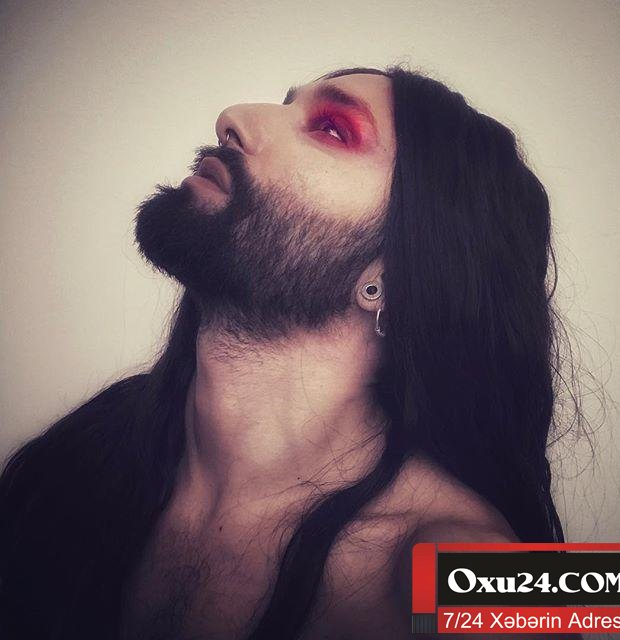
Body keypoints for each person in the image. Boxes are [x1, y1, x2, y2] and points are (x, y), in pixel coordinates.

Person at [0, 65, 579, 640]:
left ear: (396, 277)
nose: (233, 118)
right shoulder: (76, 459)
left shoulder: (483, 568)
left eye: (332, 129)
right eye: (287, 105)